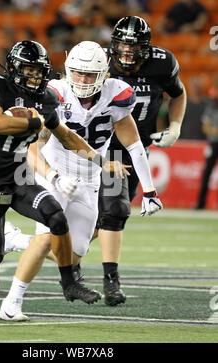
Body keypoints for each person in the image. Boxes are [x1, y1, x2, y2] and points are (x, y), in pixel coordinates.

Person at [1, 40, 163, 320]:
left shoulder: (117, 95)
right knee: (45, 239)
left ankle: (15, 240)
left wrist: (149, 190)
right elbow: (33, 149)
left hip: (89, 179)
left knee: (73, 254)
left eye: (89, 74)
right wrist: (52, 176)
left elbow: (135, 145)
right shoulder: (54, 94)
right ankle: (12, 304)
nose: (82, 79)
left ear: (103, 74)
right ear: (67, 70)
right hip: (54, 172)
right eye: (77, 72)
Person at [0, 40, 125, 326]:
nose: (35, 77)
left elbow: (66, 136)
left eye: (39, 71)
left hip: (19, 179)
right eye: (29, 70)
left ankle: (69, 282)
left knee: (56, 215)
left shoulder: (45, 99)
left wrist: (102, 162)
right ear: (14, 68)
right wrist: (33, 123)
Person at [93, 16, 186, 305]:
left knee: (97, 224)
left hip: (137, 148)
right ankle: (111, 282)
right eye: (122, 45)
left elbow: (178, 94)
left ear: (146, 47)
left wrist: (175, 126)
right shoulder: (98, 61)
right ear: (113, 43)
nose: (127, 52)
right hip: (103, 146)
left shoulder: (162, 63)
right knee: (114, 210)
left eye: (133, 47)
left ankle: (48, 252)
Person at [195, 75, 218, 209]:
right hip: (213, 143)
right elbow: (205, 126)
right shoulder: (212, 106)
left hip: (214, 140)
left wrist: (213, 129)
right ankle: (200, 203)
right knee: (207, 173)